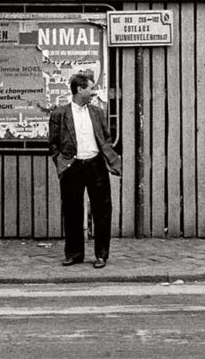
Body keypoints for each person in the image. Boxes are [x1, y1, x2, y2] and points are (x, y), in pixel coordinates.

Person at [48, 72, 122, 268]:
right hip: (72, 166)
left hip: (96, 165)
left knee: (102, 211)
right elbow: (53, 144)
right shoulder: (59, 114)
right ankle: (74, 254)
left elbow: (105, 138)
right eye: (90, 88)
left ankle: (101, 255)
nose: (93, 92)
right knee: (72, 211)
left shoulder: (97, 112)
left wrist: (109, 159)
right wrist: (61, 163)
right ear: (79, 90)